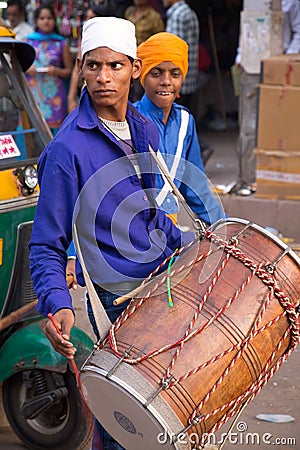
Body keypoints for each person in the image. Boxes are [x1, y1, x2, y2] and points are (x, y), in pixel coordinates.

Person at [29, 16, 194, 450]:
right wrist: (57, 303)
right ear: (80, 67)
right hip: (114, 299)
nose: (103, 78)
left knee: (168, 411)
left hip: (163, 282)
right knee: (127, 421)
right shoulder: (66, 150)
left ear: (134, 69)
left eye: (115, 67)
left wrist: (191, 249)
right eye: (93, 66)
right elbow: (46, 244)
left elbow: (148, 211)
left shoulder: (144, 129)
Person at [135, 31, 225, 226]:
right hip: (133, 231)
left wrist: (224, 228)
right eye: (156, 73)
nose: (166, 81)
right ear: (142, 74)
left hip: (169, 231)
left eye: (175, 74)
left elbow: (196, 186)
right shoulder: (130, 119)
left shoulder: (185, 121)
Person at [235, 0, 300, 195]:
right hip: (251, 67)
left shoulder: (291, 2)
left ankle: (271, 179)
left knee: (275, 126)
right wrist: (240, 56)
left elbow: (298, 32)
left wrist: (282, 61)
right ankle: (247, 179)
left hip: (279, 69)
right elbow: (248, 29)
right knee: (248, 126)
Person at [24, 3, 73, 135]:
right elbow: (18, 68)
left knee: (55, 134)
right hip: (33, 93)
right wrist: (27, 68)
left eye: (49, 18)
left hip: (55, 96)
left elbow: (69, 71)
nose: (46, 21)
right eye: (42, 18)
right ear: (36, 21)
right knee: (32, 130)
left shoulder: (62, 43)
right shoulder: (27, 42)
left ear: (54, 20)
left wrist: (56, 71)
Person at [67, 3, 113, 113]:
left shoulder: (113, 40)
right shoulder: (86, 39)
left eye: (92, 18)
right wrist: (71, 97)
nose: (88, 21)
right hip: (89, 89)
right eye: (88, 17)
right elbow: (76, 70)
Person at [162, 0, 200, 118]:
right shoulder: (189, 12)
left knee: (175, 117)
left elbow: (172, 50)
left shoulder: (177, 15)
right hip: (189, 76)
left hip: (177, 78)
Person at [125, 0, 165, 101]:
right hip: (127, 59)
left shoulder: (154, 17)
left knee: (138, 94)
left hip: (144, 62)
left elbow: (159, 42)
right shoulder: (129, 12)